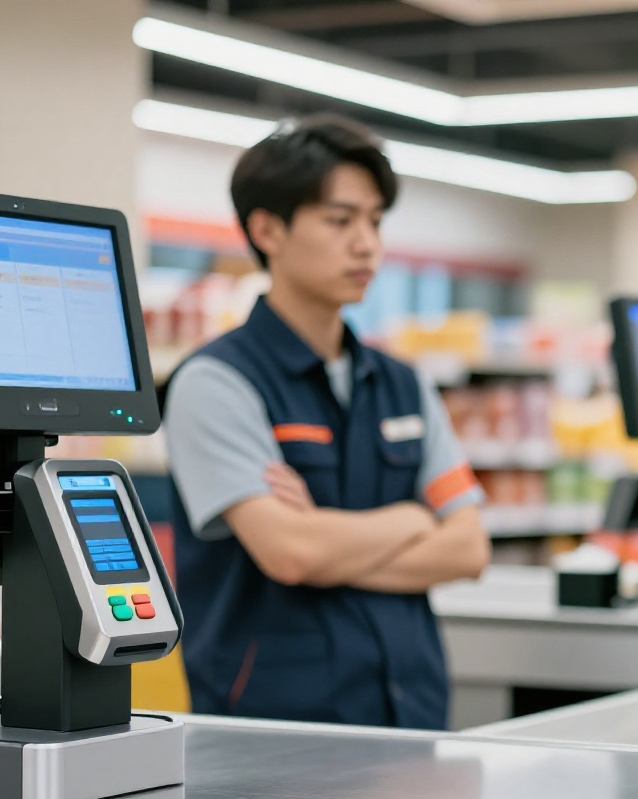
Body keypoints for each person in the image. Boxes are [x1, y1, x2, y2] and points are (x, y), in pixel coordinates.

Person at [164, 114, 491, 730]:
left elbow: (469, 548)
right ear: (268, 230)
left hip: (410, 717)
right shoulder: (217, 383)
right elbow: (290, 554)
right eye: (340, 221)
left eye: (374, 221)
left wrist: (324, 539)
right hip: (273, 737)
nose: (366, 244)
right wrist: (411, 518)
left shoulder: (403, 383)